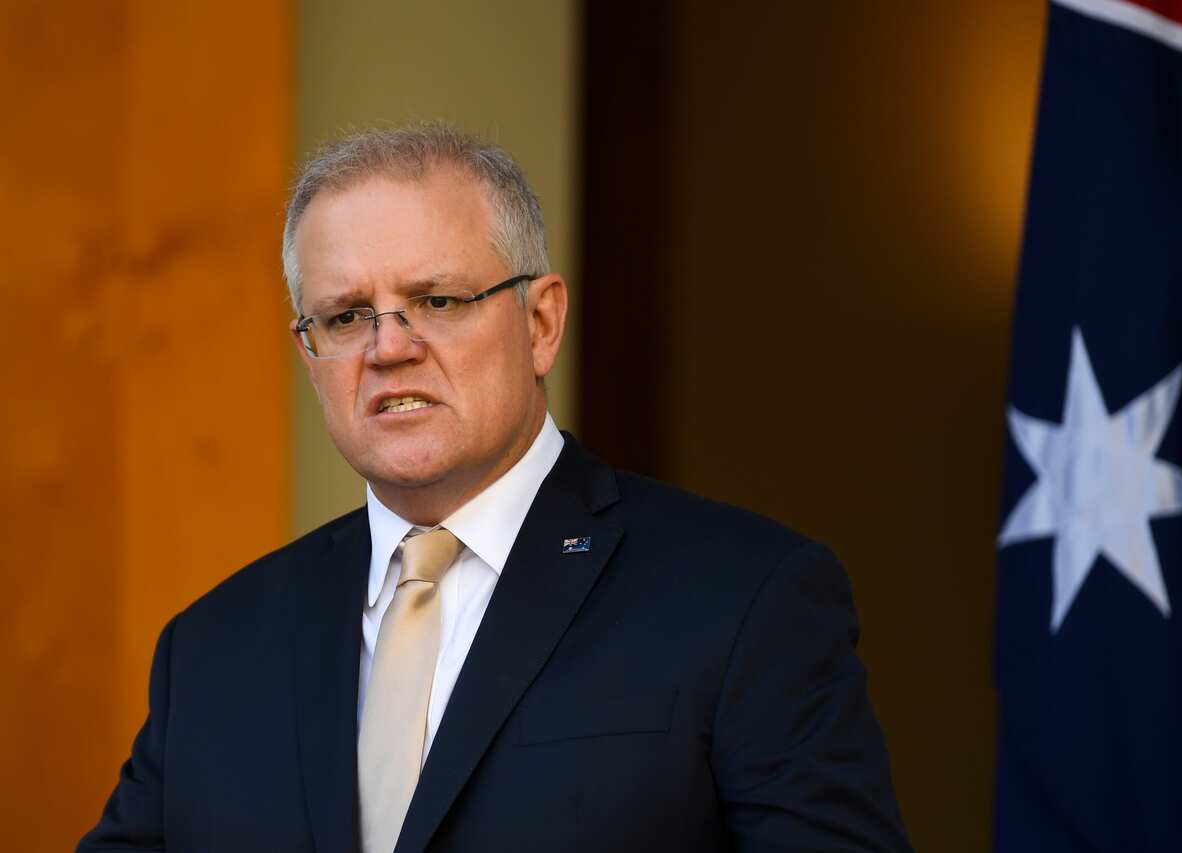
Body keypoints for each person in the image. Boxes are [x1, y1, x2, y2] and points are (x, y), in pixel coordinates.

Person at [80, 123, 913, 852]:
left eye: (436, 300)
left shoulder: (743, 601)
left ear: (542, 322)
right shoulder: (214, 647)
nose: (388, 346)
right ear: (311, 356)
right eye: (344, 316)